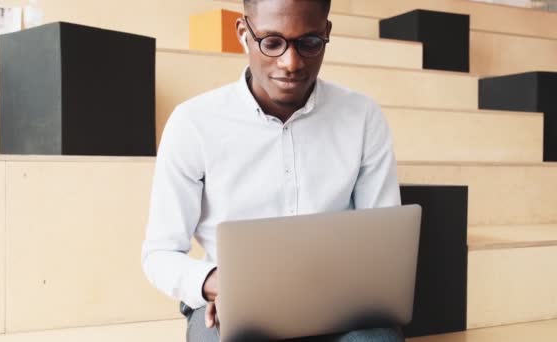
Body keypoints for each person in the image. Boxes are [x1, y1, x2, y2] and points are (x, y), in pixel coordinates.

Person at [141, 0, 403, 340]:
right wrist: (216, 282)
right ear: (243, 33)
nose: (291, 63)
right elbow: (159, 253)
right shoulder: (192, 123)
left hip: (339, 300)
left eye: (309, 43)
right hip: (234, 299)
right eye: (272, 42)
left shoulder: (362, 116)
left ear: (326, 33)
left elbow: (383, 241)